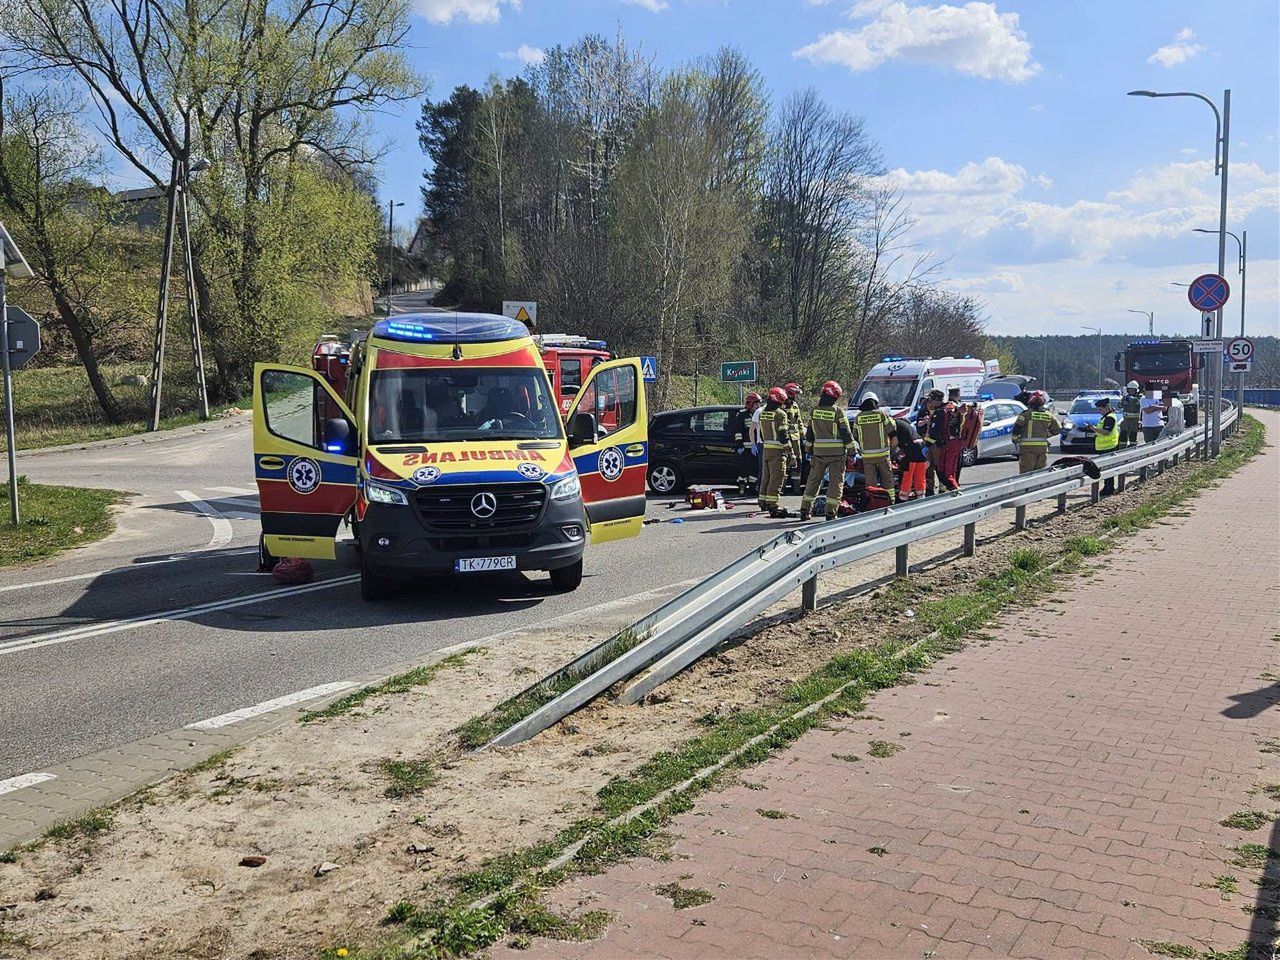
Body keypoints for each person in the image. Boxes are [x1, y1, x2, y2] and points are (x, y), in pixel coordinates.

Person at [800, 381, 854, 521]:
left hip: (818, 453)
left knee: (813, 481)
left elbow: (810, 433)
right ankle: (830, 513)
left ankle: (805, 510)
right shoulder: (838, 412)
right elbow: (846, 433)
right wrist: (852, 451)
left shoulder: (814, 411)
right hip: (837, 455)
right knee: (836, 484)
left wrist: (808, 450)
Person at [853, 393, 896, 503]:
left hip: (867, 456)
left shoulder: (859, 417)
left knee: (870, 482)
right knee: (887, 480)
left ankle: (873, 502)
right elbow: (891, 429)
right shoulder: (882, 414)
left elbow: (855, 435)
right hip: (883, 454)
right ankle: (890, 500)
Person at [757, 387, 792, 517]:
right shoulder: (780, 414)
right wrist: (789, 451)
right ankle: (773, 504)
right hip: (777, 451)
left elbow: (761, 432)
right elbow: (783, 434)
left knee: (766, 477)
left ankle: (763, 501)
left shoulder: (762, 413)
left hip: (766, 449)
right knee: (776, 478)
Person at [1011, 391, 1060, 474]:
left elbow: (1017, 427)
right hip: (1042, 449)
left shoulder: (1025, 415)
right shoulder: (1048, 415)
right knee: (1040, 474)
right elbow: (1057, 429)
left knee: (1026, 474)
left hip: (1028, 450)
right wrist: (1047, 435)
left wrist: (1015, 439)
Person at [928, 388, 964, 493]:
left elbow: (934, 432)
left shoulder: (939, 412)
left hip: (946, 446)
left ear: (936, 400)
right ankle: (954, 488)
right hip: (956, 443)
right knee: (952, 470)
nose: (930, 402)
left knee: (943, 471)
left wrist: (927, 444)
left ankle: (955, 490)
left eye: (931, 400)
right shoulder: (952, 407)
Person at [1085, 396, 1120, 495]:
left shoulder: (1110, 418)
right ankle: (1107, 487)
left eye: (1101, 409)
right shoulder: (1107, 416)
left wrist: (1094, 429)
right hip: (1105, 447)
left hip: (1108, 447)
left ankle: (1108, 489)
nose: (1100, 411)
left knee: (1107, 469)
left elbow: (1106, 432)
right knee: (1106, 469)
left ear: (1107, 408)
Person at [893, 414, 928, 500]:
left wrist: (893, 455)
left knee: (908, 472)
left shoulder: (893, 425)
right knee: (920, 472)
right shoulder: (903, 423)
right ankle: (921, 495)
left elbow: (894, 442)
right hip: (920, 445)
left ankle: (903, 497)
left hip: (911, 447)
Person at [783, 382, 805, 491]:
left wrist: (802, 436)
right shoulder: (782, 406)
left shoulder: (795, 405)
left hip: (796, 439)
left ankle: (796, 488)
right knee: (785, 463)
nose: (796, 396)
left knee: (798, 462)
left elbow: (799, 422)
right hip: (786, 439)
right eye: (794, 394)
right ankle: (781, 488)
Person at [1119, 381, 1142, 448]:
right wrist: (1123, 403)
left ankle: (1132, 451)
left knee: (1133, 437)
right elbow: (1119, 405)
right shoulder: (1126, 397)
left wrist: (1134, 400)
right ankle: (1121, 451)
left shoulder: (1139, 397)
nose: (1131, 391)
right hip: (1125, 421)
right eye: (1130, 389)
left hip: (1135, 421)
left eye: (1133, 389)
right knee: (1123, 437)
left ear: (1136, 390)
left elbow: (1139, 404)